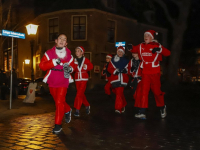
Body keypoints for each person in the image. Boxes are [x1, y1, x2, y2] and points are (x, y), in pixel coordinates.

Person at [128, 30, 171, 119]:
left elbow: (168, 53)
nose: (145, 37)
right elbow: (133, 48)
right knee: (144, 92)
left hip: (155, 72)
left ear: (152, 37)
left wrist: (160, 50)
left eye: (148, 35)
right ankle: (142, 112)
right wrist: (130, 47)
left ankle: (162, 107)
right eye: (145, 35)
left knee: (157, 92)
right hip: (145, 73)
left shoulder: (157, 45)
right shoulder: (141, 46)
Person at [39, 33, 74, 134]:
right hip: (52, 80)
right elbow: (42, 65)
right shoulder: (49, 53)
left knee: (59, 102)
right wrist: (53, 62)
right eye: (60, 38)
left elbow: (73, 66)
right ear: (56, 41)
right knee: (58, 101)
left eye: (64, 39)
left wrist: (71, 68)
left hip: (63, 80)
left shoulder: (69, 54)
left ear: (66, 43)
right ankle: (67, 110)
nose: (62, 40)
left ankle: (58, 125)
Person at [72, 46, 93, 117]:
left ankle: (77, 110)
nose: (76, 52)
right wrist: (73, 65)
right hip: (77, 79)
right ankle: (87, 105)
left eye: (78, 51)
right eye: (76, 51)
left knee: (79, 94)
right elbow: (73, 69)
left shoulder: (86, 59)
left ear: (82, 52)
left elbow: (91, 66)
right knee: (81, 94)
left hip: (84, 79)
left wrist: (86, 66)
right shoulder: (74, 60)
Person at [107, 46, 129, 114]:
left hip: (122, 79)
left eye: (121, 51)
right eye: (118, 51)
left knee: (119, 93)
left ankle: (118, 108)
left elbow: (130, 68)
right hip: (115, 79)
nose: (120, 52)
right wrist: (114, 71)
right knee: (118, 93)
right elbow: (109, 68)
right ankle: (124, 103)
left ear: (123, 53)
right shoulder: (113, 60)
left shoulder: (126, 61)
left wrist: (126, 70)